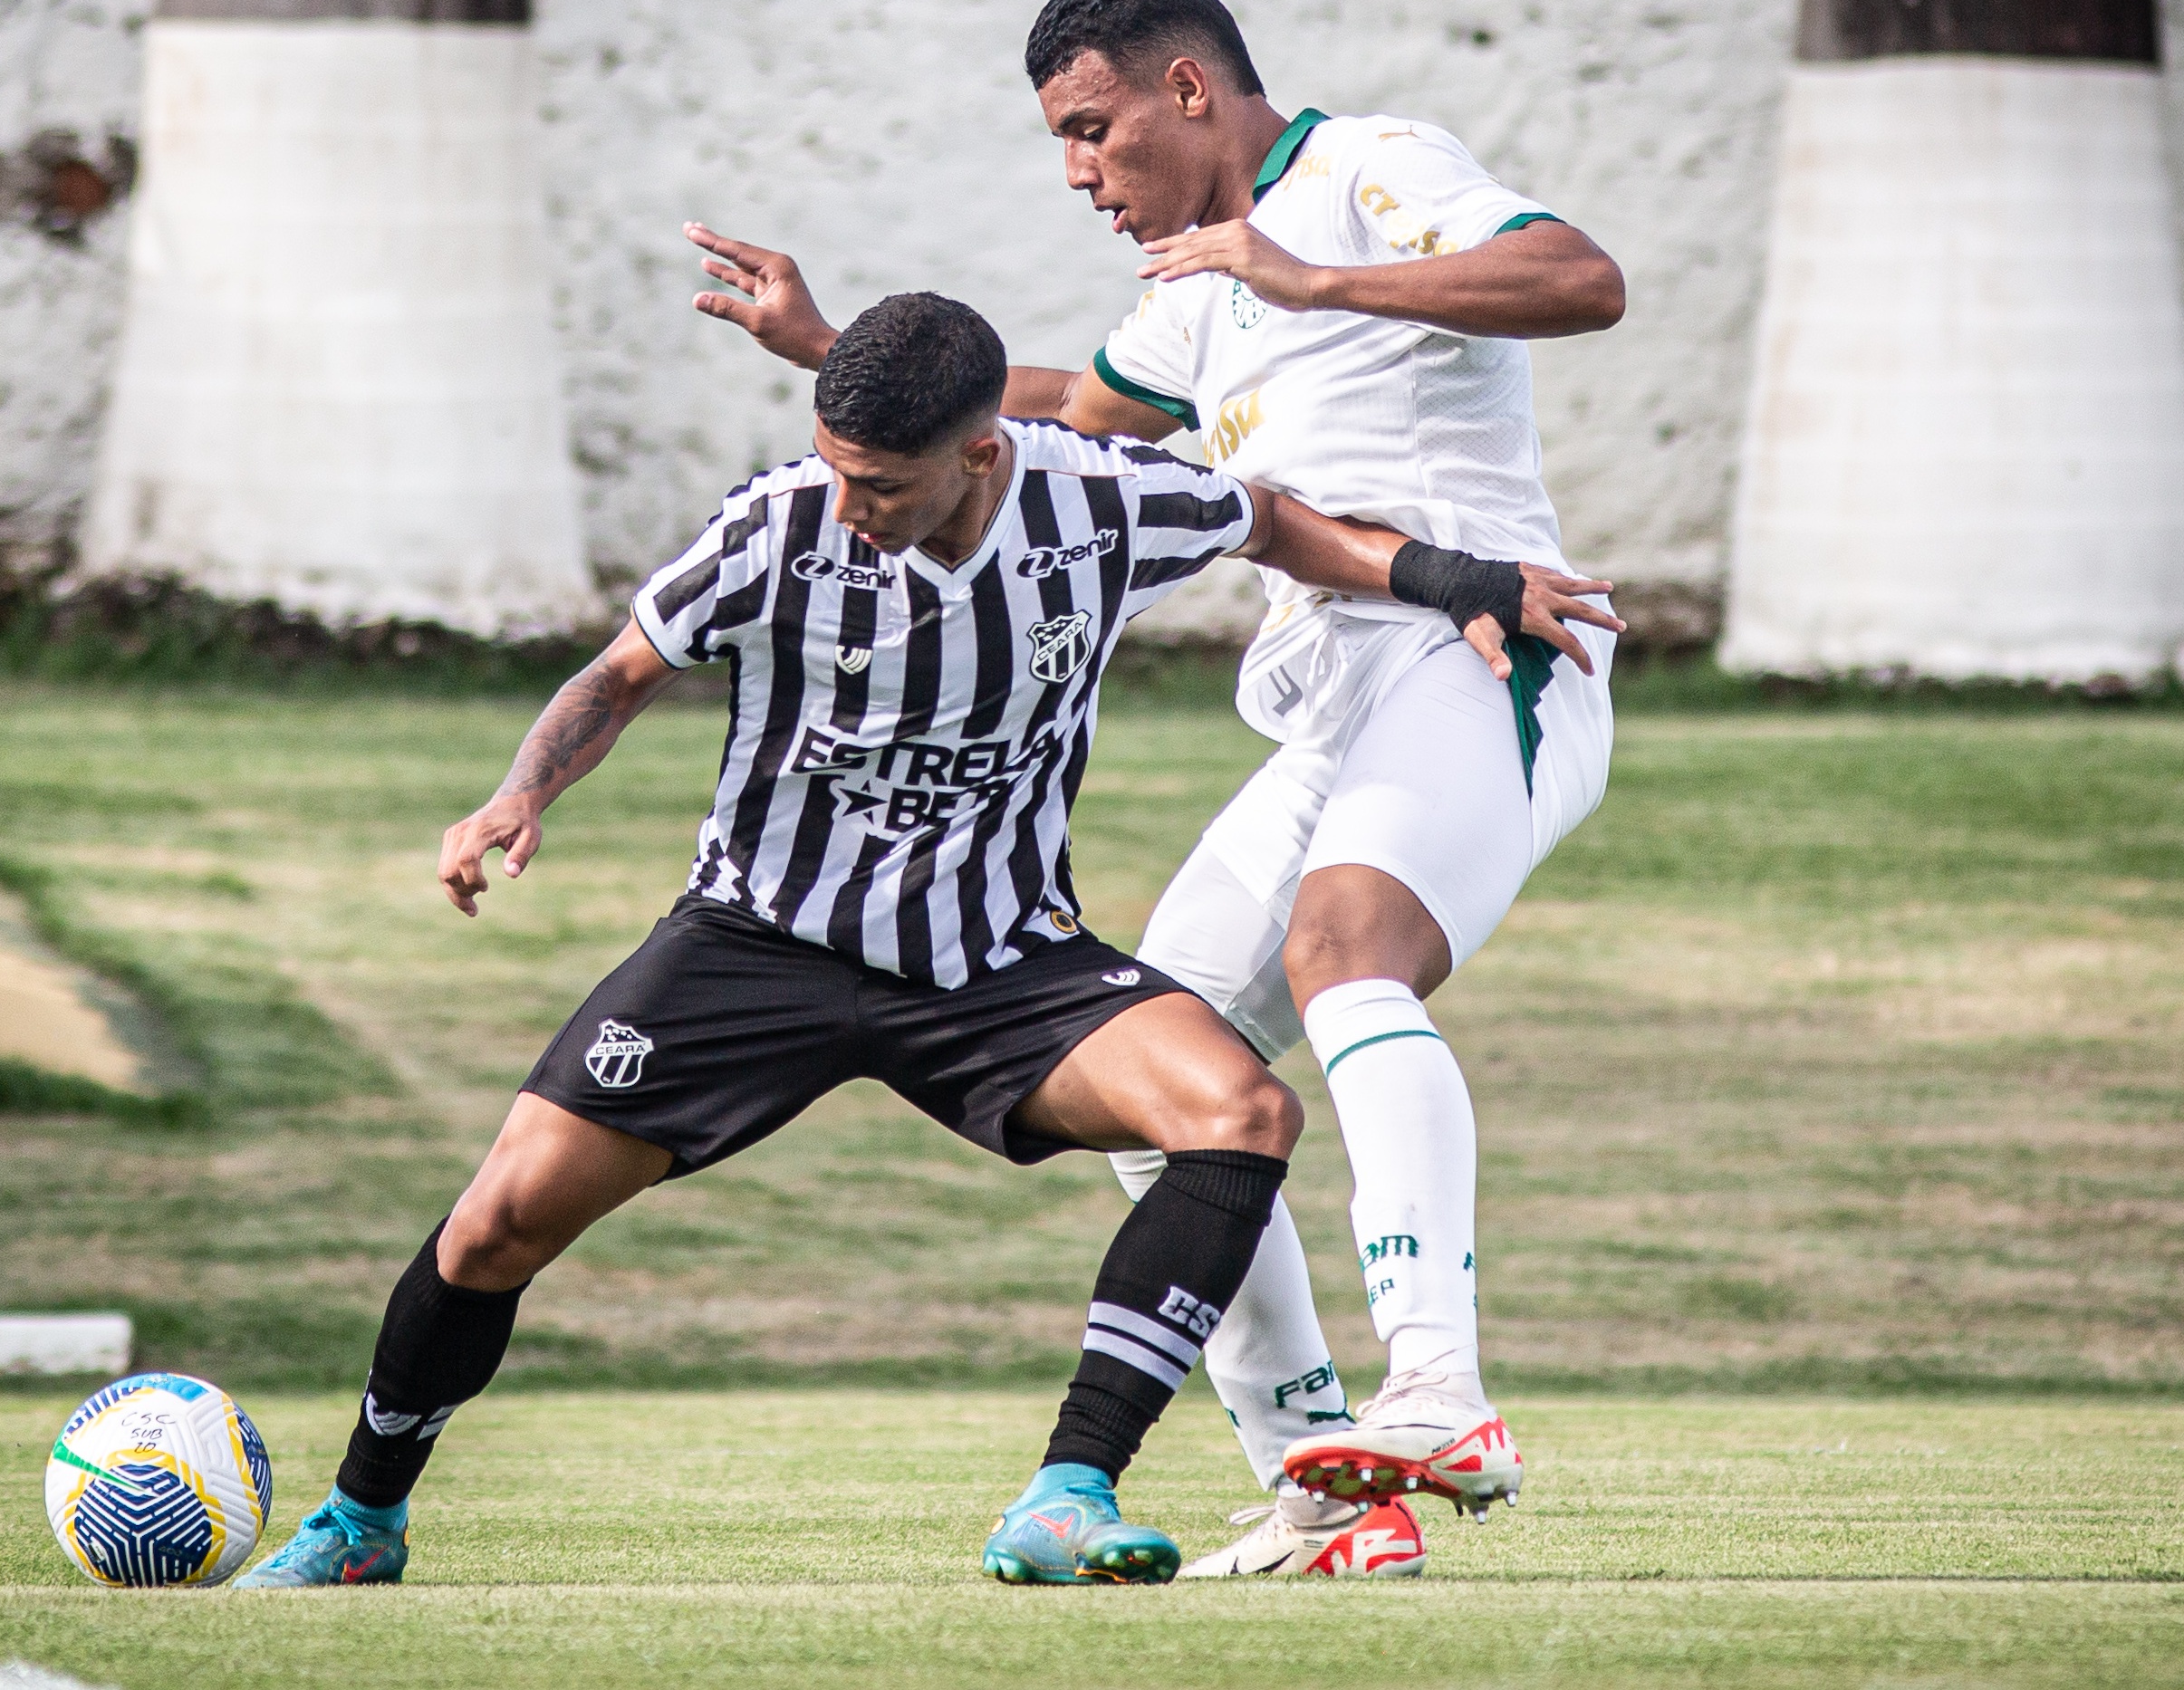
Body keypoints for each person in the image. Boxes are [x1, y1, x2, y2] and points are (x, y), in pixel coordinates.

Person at [237, 291, 1553, 1590]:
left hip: (995, 958)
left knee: (1240, 1112)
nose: (845, 501)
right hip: (756, 944)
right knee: (493, 1229)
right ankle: (360, 1521)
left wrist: (1451, 577)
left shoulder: (1097, 501)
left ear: (980, 454)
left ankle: (1069, 1491)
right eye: (830, 464)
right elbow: (622, 671)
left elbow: (1264, 519)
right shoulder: (775, 525)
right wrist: (520, 789)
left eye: (877, 482)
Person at [688, 0, 1628, 1580]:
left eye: (1090, 129)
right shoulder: (1197, 280)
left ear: (1185, 89)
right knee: (1169, 1073)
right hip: (1333, 697)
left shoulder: (1364, 173)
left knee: (1342, 952)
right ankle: (1328, 1487)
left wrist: (1312, 280)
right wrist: (830, 344)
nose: (1076, 173)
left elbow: (1576, 276)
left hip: (1480, 653)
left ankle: (1441, 1391)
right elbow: (1075, 409)